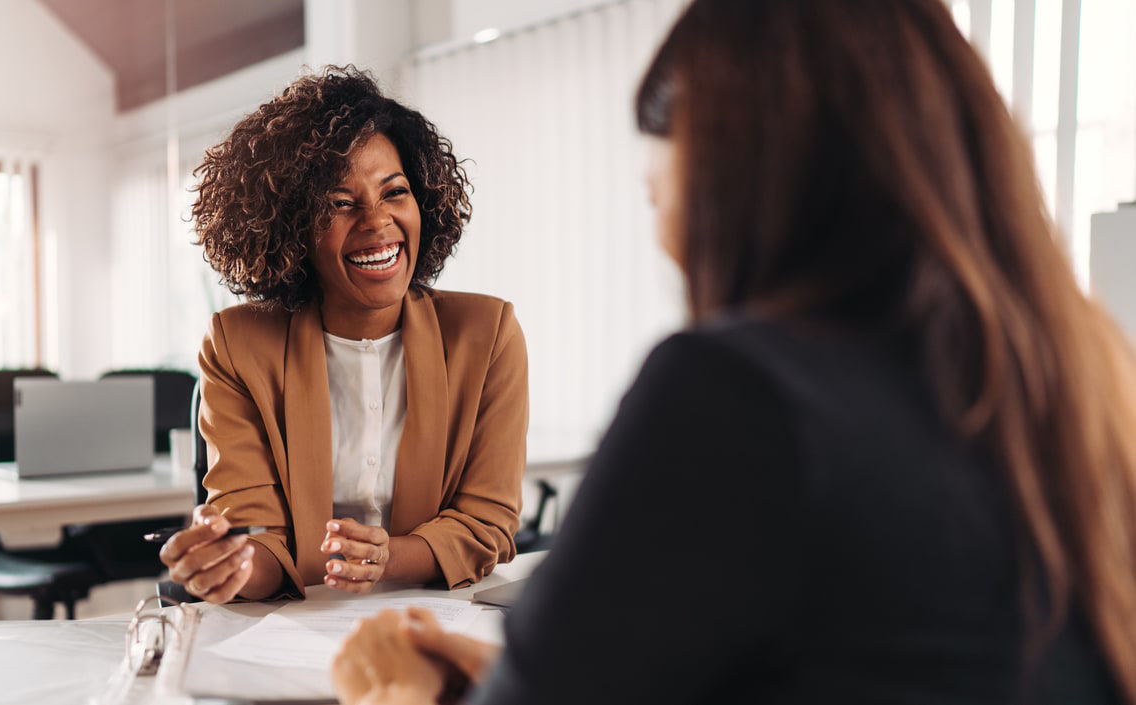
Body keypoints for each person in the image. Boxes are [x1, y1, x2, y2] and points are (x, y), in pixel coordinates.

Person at [330, 0, 1136, 703]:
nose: (660, 226)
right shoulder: (1081, 378)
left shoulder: (739, 394)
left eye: (662, 179)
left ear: (738, 179)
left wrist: (397, 692)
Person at [158, 67, 528, 603]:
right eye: (339, 203)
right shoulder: (238, 345)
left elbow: (486, 523)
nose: (377, 222)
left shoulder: (487, 334)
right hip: (291, 626)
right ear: (291, 227)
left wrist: (387, 558)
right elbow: (259, 538)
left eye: (394, 191)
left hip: (432, 615)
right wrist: (230, 564)